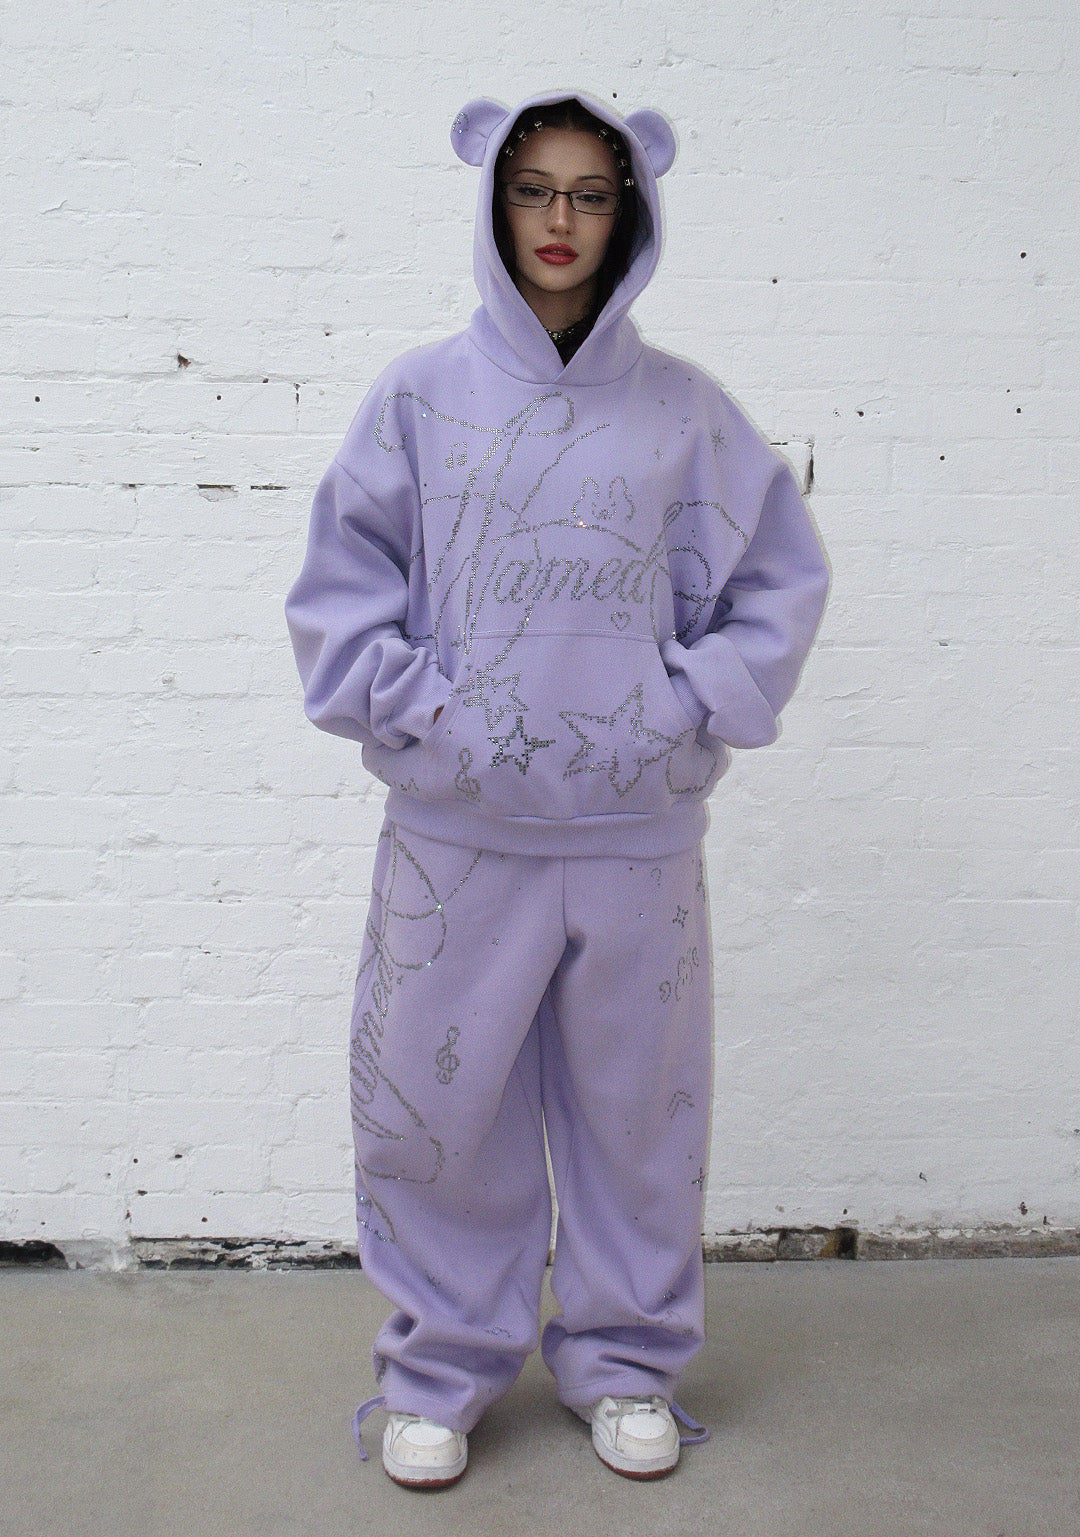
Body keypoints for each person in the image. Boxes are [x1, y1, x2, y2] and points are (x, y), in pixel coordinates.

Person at [285, 90, 829, 1488]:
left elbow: (777, 581)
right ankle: (439, 1369)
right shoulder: (419, 400)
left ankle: (627, 1362)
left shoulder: (686, 412)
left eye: (591, 193)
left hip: (635, 840)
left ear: (630, 210)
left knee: (640, 1116)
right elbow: (342, 595)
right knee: (430, 1112)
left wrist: (679, 713)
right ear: (494, 199)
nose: (561, 221)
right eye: (535, 189)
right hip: (458, 837)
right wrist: (433, 721)